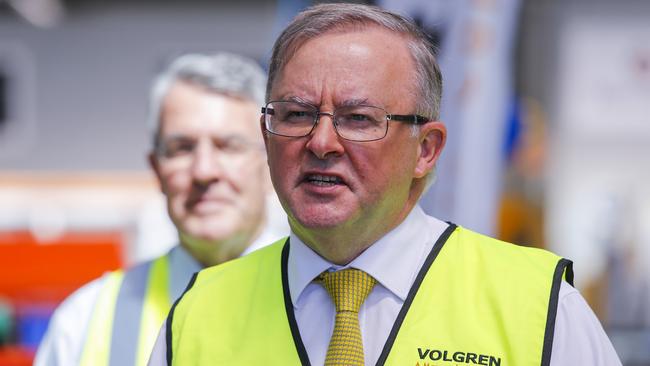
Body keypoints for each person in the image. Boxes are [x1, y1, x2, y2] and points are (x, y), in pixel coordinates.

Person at [149, 4, 621, 366]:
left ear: (426, 150)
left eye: (358, 119)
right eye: (296, 114)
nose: (322, 142)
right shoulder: (197, 315)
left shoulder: (540, 308)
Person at [34, 52, 287, 366]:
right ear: (156, 169)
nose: (204, 171)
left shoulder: (334, 302)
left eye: (228, 146)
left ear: (271, 162)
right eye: (182, 148)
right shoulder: (84, 321)